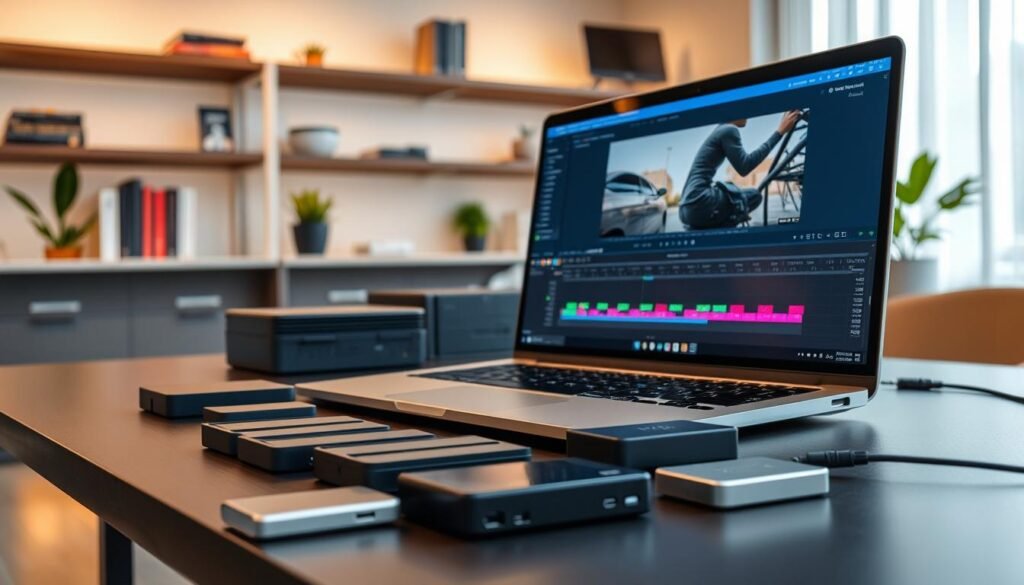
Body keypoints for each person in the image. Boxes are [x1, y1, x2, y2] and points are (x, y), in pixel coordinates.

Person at [679, 110, 801, 229]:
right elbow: (745, 166)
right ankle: (729, 224)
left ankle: (721, 223)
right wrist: (780, 132)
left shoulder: (719, 130)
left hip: (685, 208)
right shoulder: (728, 129)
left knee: (737, 199)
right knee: (754, 195)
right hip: (699, 202)